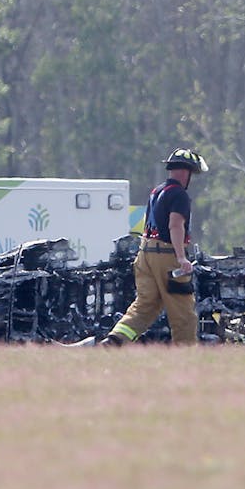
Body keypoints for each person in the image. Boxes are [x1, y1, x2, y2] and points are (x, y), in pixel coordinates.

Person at [102, 148, 209, 346]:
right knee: (183, 311)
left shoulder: (157, 191)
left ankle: (116, 339)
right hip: (167, 257)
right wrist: (181, 258)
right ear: (186, 172)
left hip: (145, 254)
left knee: (145, 305)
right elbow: (175, 225)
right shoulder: (179, 195)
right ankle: (186, 356)